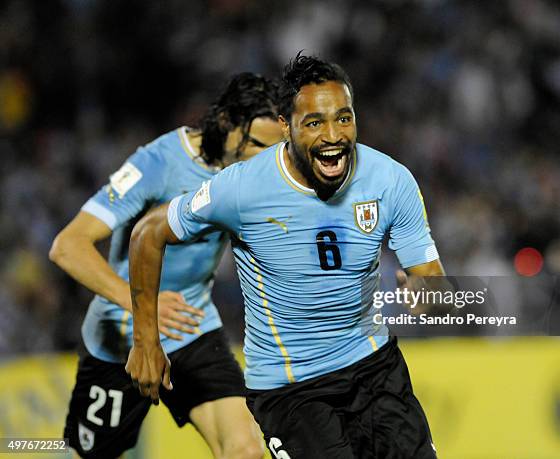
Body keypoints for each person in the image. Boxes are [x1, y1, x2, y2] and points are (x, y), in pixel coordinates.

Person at [127, 54, 444, 458]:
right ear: (285, 128)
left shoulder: (390, 180)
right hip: (293, 390)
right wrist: (145, 341)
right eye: (314, 123)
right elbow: (147, 234)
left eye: (344, 119)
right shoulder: (242, 189)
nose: (333, 135)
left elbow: (431, 279)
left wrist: (430, 297)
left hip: (376, 370)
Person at [49, 72, 283, 459]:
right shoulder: (156, 162)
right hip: (122, 334)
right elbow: (67, 246)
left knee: (245, 450)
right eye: (257, 144)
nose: (265, 159)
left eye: (273, 148)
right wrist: (143, 304)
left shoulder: (253, 173)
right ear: (225, 123)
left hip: (191, 324)